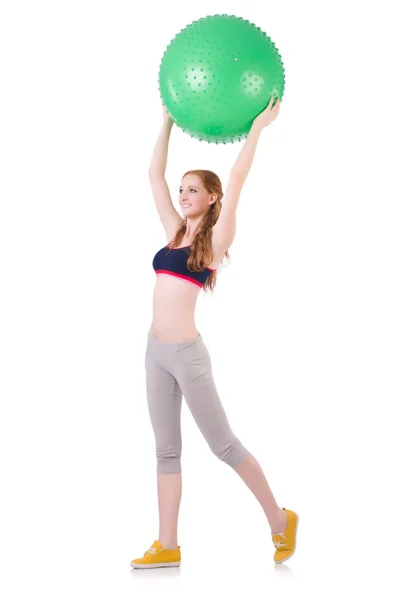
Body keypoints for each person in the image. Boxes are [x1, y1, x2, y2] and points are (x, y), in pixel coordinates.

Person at [130, 97, 298, 569]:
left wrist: (258, 129)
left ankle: (281, 521)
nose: (182, 195)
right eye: (182, 189)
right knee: (165, 449)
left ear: (211, 198)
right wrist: (164, 120)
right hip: (154, 353)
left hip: (186, 355)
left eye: (192, 190)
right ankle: (167, 545)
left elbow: (239, 177)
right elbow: (152, 177)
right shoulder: (173, 233)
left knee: (223, 445)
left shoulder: (215, 238)